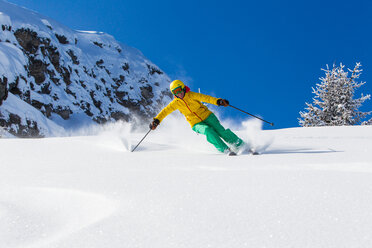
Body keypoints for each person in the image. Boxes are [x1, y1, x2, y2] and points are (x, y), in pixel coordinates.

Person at [150, 79, 244, 155]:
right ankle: (225, 149)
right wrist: (157, 120)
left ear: (183, 88)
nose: (178, 93)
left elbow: (206, 98)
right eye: (175, 92)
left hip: (208, 116)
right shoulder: (176, 103)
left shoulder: (192, 95)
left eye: (179, 90)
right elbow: (165, 111)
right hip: (195, 123)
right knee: (208, 131)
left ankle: (240, 145)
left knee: (221, 131)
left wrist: (218, 101)